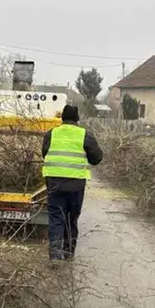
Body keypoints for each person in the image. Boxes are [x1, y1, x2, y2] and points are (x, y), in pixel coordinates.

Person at [41, 105, 104, 260]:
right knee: (71, 218)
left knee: (56, 218)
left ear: (62, 118)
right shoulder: (84, 135)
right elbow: (97, 158)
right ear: (77, 119)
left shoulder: (51, 133)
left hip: (54, 182)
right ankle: (68, 253)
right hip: (76, 184)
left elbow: (44, 153)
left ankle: (55, 256)